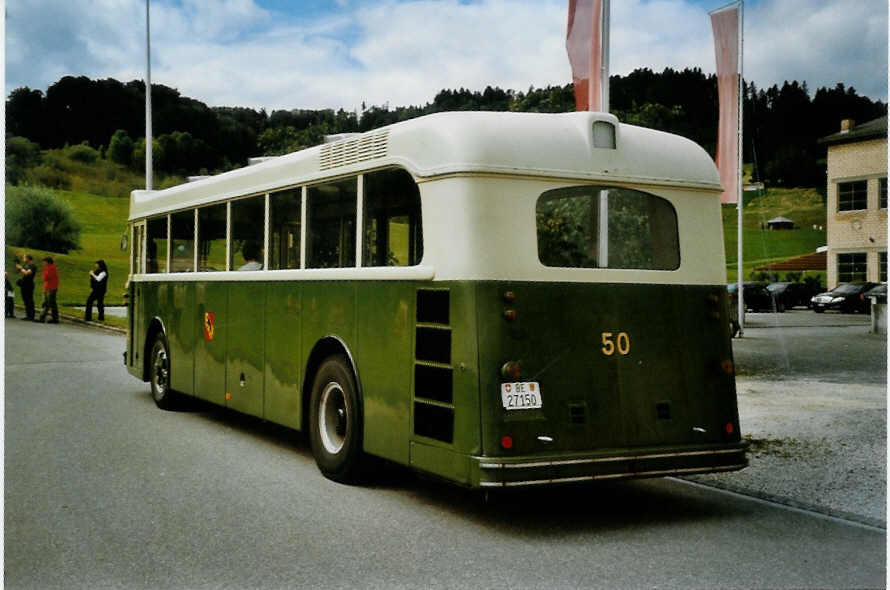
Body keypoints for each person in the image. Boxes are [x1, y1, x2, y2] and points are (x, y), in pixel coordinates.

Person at [14, 253, 37, 321]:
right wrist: (17, 266)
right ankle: (28, 315)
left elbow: (27, 273)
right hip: (24, 285)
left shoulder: (33, 265)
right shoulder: (25, 265)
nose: (23, 259)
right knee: (25, 300)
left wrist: (21, 268)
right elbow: (19, 271)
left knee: (29, 300)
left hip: (29, 285)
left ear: (28, 258)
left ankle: (31, 316)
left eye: (24, 257)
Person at [38, 256, 60, 324]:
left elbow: (45, 277)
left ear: (48, 262)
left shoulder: (51, 268)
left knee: (49, 303)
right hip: (48, 287)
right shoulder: (49, 268)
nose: (43, 263)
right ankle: (44, 317)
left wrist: (44, 275)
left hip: (51, 288)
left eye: (44, 262)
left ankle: (45, 317)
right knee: (48, 303)